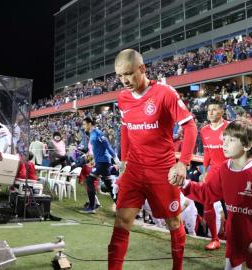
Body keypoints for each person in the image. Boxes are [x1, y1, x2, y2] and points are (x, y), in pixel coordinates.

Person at [108, 49, 197, 270]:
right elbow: (126, 127)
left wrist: (183, 162)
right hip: (135, 170)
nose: (125, 80)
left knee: (173, 222)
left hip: (162, 170)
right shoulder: (123, 98)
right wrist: (125, 159)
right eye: (120, 76)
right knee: (121, 221)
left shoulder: (165, 93)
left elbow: (190, 126)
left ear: (142, 69)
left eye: (129, 73)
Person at [172, 119, 252, 270]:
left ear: (247, 145)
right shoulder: (224, 168)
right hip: (234, 237)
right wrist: (184, 184)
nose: (225, 144)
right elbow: (208, 193)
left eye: (231, 140)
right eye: (225, 139)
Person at [199, 100, 229, 250]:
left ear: (222, 112)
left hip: (231, 169)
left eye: (214, 109)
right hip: (214, 170)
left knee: (233, 206)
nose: (210, 112)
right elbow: (207, 152)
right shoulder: (204, 130)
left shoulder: (230, 127)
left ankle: (236, 238)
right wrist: (205, 172)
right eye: (209, 110)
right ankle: (215, 239)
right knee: (207, 200)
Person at [81, 117, 120, 214]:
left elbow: (108, 146)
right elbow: (97, 148)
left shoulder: (98, 133)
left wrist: (116, 159)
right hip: (101, 162)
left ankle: (92, 207)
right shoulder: (92, 134)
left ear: (90, 124)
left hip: (104, 162)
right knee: (109, 186)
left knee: (89, 180)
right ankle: (121, 208)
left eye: (84, 124)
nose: (83, 126)